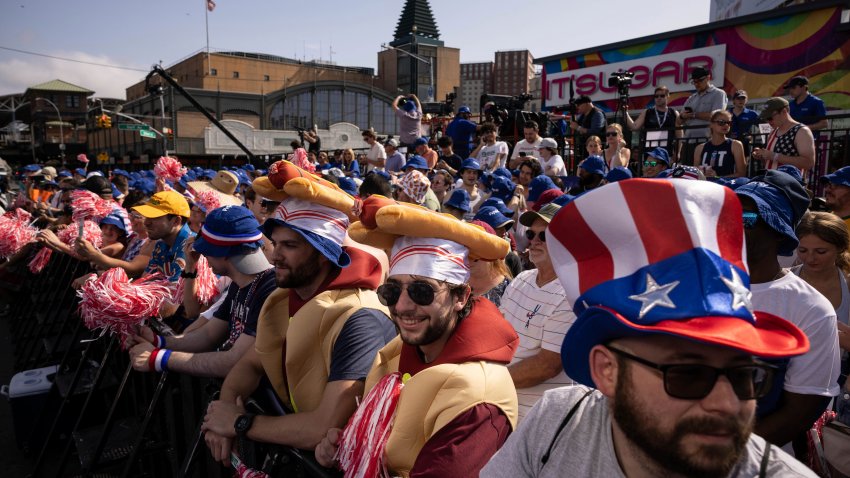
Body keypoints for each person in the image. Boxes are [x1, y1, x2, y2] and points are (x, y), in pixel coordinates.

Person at [483, 178, 816, 478]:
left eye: (746, 375)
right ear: (607, 370)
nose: (728, 404)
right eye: (687, 375)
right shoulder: (557, 422)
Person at [315, 197, 518, 477]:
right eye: (392, 292)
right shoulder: (397, 353)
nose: (402, 306)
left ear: (461, 296)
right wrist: (345, 446)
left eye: (422, 292)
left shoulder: (478, 396)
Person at [201, 180, 396, 464]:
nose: (275, 255)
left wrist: (241, 423)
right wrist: (224, 412)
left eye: (290, 246)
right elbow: (250, 364)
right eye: (276, 243)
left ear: (324, 252)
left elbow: (322, 426)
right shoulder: (284, 297)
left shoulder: (360, 316)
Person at [736, 171, 840, 453]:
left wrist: (719, 456)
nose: (734, 225)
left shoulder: (811, 309)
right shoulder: (699, 285)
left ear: (777, 230)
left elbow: (801, 410)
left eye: (748, 219)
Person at [129, 206, 275, 378]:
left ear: (223, 252)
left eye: (207, 250)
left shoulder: (270, 289)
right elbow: (208, 335)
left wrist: (159, 358)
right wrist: (157, 341)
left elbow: (234, 361)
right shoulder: (239, 284)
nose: (204, 256)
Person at [500, 203, 573, 422]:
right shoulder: (522, 279)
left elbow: (547, 365)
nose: (535, 240)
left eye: (545, 235)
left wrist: (488, 381)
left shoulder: (569, 294)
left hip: (538, 421)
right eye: (532, 233)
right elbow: (497, 334)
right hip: (503, 408)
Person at [131, 190, 193, 282]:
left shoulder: (190, 247)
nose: (146, 222)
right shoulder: (160, 244)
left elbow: (173, 291)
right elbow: (144, 281)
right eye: (147, 216)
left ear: (176, 221)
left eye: (155, 217)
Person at [678, 66, 728, 166]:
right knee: (687, 175)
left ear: (708, 78)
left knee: (704, 175)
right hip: (688, 142)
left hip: (708, 142)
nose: (697, 84)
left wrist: (694, 115)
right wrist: (683, 116)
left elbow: (718, 116)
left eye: (699, 81)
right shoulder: (691, 98)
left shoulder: (719, 94)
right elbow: (678, 122)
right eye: (694, 81)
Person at [752, 97, 816, 172]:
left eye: (770, 118)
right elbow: (771, 162)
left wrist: (774, 156)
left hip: (789, 182)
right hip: (771, 180)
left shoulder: (801, 131)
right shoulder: (773, 132)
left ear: (784, 111)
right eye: (766, 118)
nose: (768, 121)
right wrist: (762, 156)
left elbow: (809, 163)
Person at [624, 85, 681, 161]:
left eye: (662, 96)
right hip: (649, 153)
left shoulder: (674, 113)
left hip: (667, 153)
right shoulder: (647, 112)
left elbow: (679, 135)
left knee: (665, 172)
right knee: (650, 171)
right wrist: (625, 113)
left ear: (667, 96)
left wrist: (678, 152)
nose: (659, 98)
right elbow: (634, 127)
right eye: (656, 96)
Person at [694, 110, 747, 178]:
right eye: (721, 122)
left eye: (729, 123)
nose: (726, 125)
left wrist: (717, 177)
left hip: (725, 186)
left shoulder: (735, 145)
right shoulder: (700, 148)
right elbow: (695, 174)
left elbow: (741, 174)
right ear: (711, 124)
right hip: (705, 186)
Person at [728, 90, 760, 155]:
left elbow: (765, 126)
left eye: (743, 98)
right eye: (738, 98)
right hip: (728, 143)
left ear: (746, 100)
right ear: (733, 100)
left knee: (744, 164)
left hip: (745, 143)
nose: (741, 100)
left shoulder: (752, 114)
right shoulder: (726, 113)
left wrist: (754, 136)